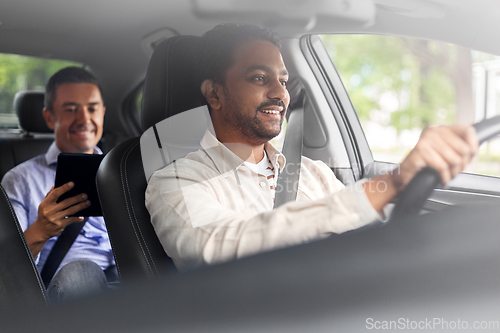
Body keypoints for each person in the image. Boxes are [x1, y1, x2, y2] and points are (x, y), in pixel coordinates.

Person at [145, 24, 478, 271]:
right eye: (260, 78)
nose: (280, 93)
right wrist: (391, 182)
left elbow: (370, 230)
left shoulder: (312, 172)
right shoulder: (175, 182)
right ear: (214, 94)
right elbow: (221, 245)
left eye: (284, 81)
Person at [1, 67, 115, 302]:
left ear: (103, 113)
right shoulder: (20, 180)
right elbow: (6, 271)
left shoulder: (121, 172)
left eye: (92, 109)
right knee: (82, 273)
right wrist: (41, 230)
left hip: (127, 283)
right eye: (71, 109)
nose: (84, 119)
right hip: (66, 291)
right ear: (49, 117)